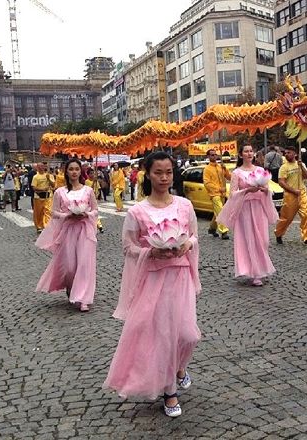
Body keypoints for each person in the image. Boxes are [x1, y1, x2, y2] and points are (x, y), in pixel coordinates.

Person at [103, 151, 201, 418]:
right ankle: (170, 391)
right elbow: (128, 247)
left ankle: (180, 367)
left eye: (168, 172)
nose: (164, 178)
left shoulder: (184, 205)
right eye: (158, 172)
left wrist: (186, 245)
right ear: (148, 173)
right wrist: (150, 252)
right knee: (164, 335)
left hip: (180, 275)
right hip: (154, 279)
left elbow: (193, 235)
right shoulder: (138, 211)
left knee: (187, 334)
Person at [35, 158, 98, 312]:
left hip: (84, 230)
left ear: (80, 171)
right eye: (71, 169)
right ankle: (71, 286)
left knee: (84, 264)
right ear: (66, 171)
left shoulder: (88, 190)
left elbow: (96, 210)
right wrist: (67, 215)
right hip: (68, 231)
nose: (74, 172)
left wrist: (86, 214)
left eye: (77, 169)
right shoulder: (60, 192)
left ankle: (83, 298)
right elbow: (54, 212)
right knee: (70, 266)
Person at [216, 145, 278, 286]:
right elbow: (231, 194)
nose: (249, 153)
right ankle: (254, 273)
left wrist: (264, 190)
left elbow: (269, 190)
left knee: (263, 240)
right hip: (244, 209)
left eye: (251, 151)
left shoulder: (260, 170)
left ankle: (261, 268)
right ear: (240, 155)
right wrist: (247, 191)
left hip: (259, 208)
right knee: (249, 239)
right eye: (246, 151)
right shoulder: (236, 173)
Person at [275, 145, 307, 246]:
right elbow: (281, 182)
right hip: (290, 195)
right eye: (286, 153)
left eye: (289, 152)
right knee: (286, 218)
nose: (286, 154)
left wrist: (302, 167)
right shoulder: (284, 167)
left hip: (301, 193)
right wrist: (293, 190)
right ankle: (279, 233)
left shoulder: (300, 164)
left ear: (295, 154)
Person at [203, 149, 231, 239]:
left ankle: (212, 228)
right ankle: (224, 231)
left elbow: (229, 177)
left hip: (223, 193)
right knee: (221, 211)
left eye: (215, 154)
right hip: (214, 194)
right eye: (212, 155)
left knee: (217, 213)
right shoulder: (207, 169)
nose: (214, 156)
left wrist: (225, 169)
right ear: (208, 156)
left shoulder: (220, 167)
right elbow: (207, 183)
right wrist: (218, 188)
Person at [31, 162, 55, 232]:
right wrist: (42, 189)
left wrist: (49, 179)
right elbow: (34, 187)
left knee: (48, 211)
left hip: (48, 196)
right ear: (37, 168)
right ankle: (39, 226)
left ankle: (47, 225)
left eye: (43, 166)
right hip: (38, 197)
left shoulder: (49, 175)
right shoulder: (35, 177)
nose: (42, 167)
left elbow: (53, 185)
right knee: (39, 212)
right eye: (40, 166)